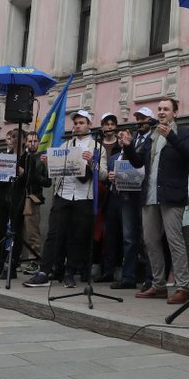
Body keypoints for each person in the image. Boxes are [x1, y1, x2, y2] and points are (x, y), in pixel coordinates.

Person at [123, 98, 189, 305]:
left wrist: (172, 137)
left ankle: (183, 287)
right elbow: (138, 161)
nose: (162, 112)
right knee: (150, 240)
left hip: (172, 197)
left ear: (175, 112)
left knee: (175, 241)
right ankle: (158, 285)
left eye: (166, 109)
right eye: (159, 109)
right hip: (150, 195)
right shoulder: (153, 135)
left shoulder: (183, 132)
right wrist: (128, 147)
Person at [24, 110, 107, 288]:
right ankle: (44, 271)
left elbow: (103, 175)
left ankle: (70, 273)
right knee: (54, 234)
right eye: (76, 123)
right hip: (63, 194)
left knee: (78, 236)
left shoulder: (97, 147)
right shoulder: (65, 145)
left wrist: (93, 162)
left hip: (84, 196)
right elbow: (54, 172)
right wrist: (47, 162)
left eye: (81, 122)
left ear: (89, 125)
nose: (77, 126)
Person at [110, 107, 155, 290]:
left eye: (143, 118)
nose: (139, 121)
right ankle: (128, 277)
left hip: (145, 192)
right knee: (129, 238)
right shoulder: (133, 138)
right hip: (129, 192)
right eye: (137, 118)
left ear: (150, 120)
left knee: (147, 237)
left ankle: (150, 278)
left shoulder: (154, 139)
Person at [0, 128, 22, 279]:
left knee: (16, 233)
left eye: (18, 137)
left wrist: (23, 172)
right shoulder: (4, 156)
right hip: (2, 198)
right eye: (12, 137)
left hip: (17, 198)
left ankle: (12, 266)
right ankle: (0, 264)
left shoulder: (27, 157)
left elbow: (32, 180)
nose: (14, 139)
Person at [17, 131, 51, 274]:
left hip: (32, 197)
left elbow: (47, 182)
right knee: (17, 230)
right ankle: (16, 258)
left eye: (35, 141)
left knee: (32, 231)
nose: (32, 144)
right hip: (18, 197)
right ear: (25, 142)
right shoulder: (21, 158)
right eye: (30, 141)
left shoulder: (41, 159)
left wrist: (33, 174)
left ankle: (34, 260)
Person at [97, 112, 121, 282]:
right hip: (99, 191)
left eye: (112, 124)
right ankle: (99, 265)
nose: (109, 127)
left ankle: (115, 266)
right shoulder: (97, 145)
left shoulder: (120, 146)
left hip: (116, 192)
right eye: (107, 124)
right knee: (99, 229)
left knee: (115, 231)